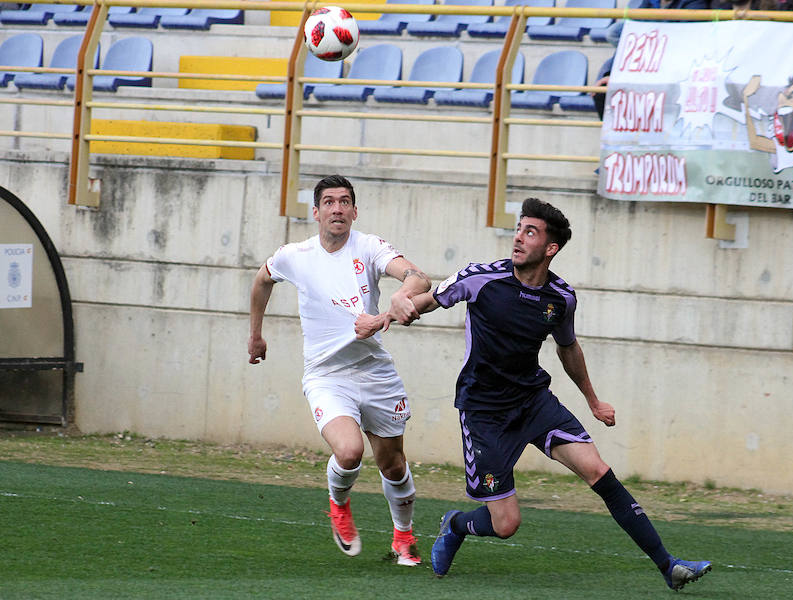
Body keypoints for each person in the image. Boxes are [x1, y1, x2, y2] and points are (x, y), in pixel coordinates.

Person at [355, 197, 712, 591]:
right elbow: (425, 301)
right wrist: (395, 311)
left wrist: (593, 401)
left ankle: (668, 566)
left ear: (551, 248)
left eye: (531, 232)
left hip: (534, 403)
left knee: (598, 471)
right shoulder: (481, 278)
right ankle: (456, 524)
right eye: (519, 229)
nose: (518, 238)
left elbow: (568, 347)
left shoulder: (561, 298)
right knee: (506, 525)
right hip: (484, 413)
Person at [248, 174, 431, 566]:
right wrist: (256, 335)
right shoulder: (294, 255)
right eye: (329, 202)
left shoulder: (369, 247)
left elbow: (419, 278)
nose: (337, 208)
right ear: (315, 212)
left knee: (393, 463)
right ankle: (339, 504)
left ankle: (403, 536)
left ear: (354, 211)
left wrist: (395, 300)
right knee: (349, 452)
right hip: (326, 376)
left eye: (344, 201)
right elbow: (263, 279)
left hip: (374, 371)